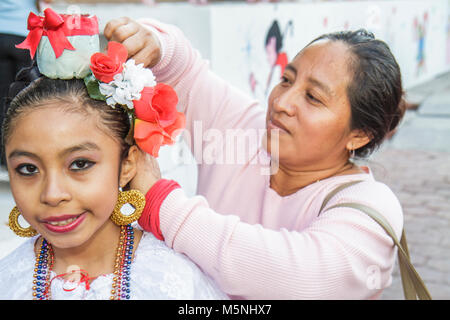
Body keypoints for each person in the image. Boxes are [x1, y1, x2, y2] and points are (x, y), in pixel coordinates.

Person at [104, 17, 408, 299]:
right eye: (287, 80)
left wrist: (161, 205)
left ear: (360, 135)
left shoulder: (370, 210)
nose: (281, 102)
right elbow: (184, 73)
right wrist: (155, 44)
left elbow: (299, 278)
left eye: (313, 97)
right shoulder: (244, 132)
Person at [0, 10, 227, 300]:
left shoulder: (173, 282)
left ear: (128, 164)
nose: (52, 194)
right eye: (28, 169)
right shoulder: (8, 281)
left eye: (80, 164)